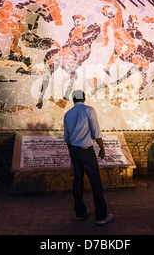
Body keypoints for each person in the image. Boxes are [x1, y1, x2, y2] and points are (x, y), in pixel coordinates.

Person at [63, 90, 114, 225]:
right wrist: (102, 148)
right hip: (86, 151)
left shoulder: (68, 114)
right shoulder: (89, 110)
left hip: (74, 150)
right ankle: (101, 216)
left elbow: (67, 137)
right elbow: (96, 131)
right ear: (84, 98)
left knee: (78, 181)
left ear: (73, 99)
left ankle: (80, 212)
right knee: (95, 182)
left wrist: (72, 152)